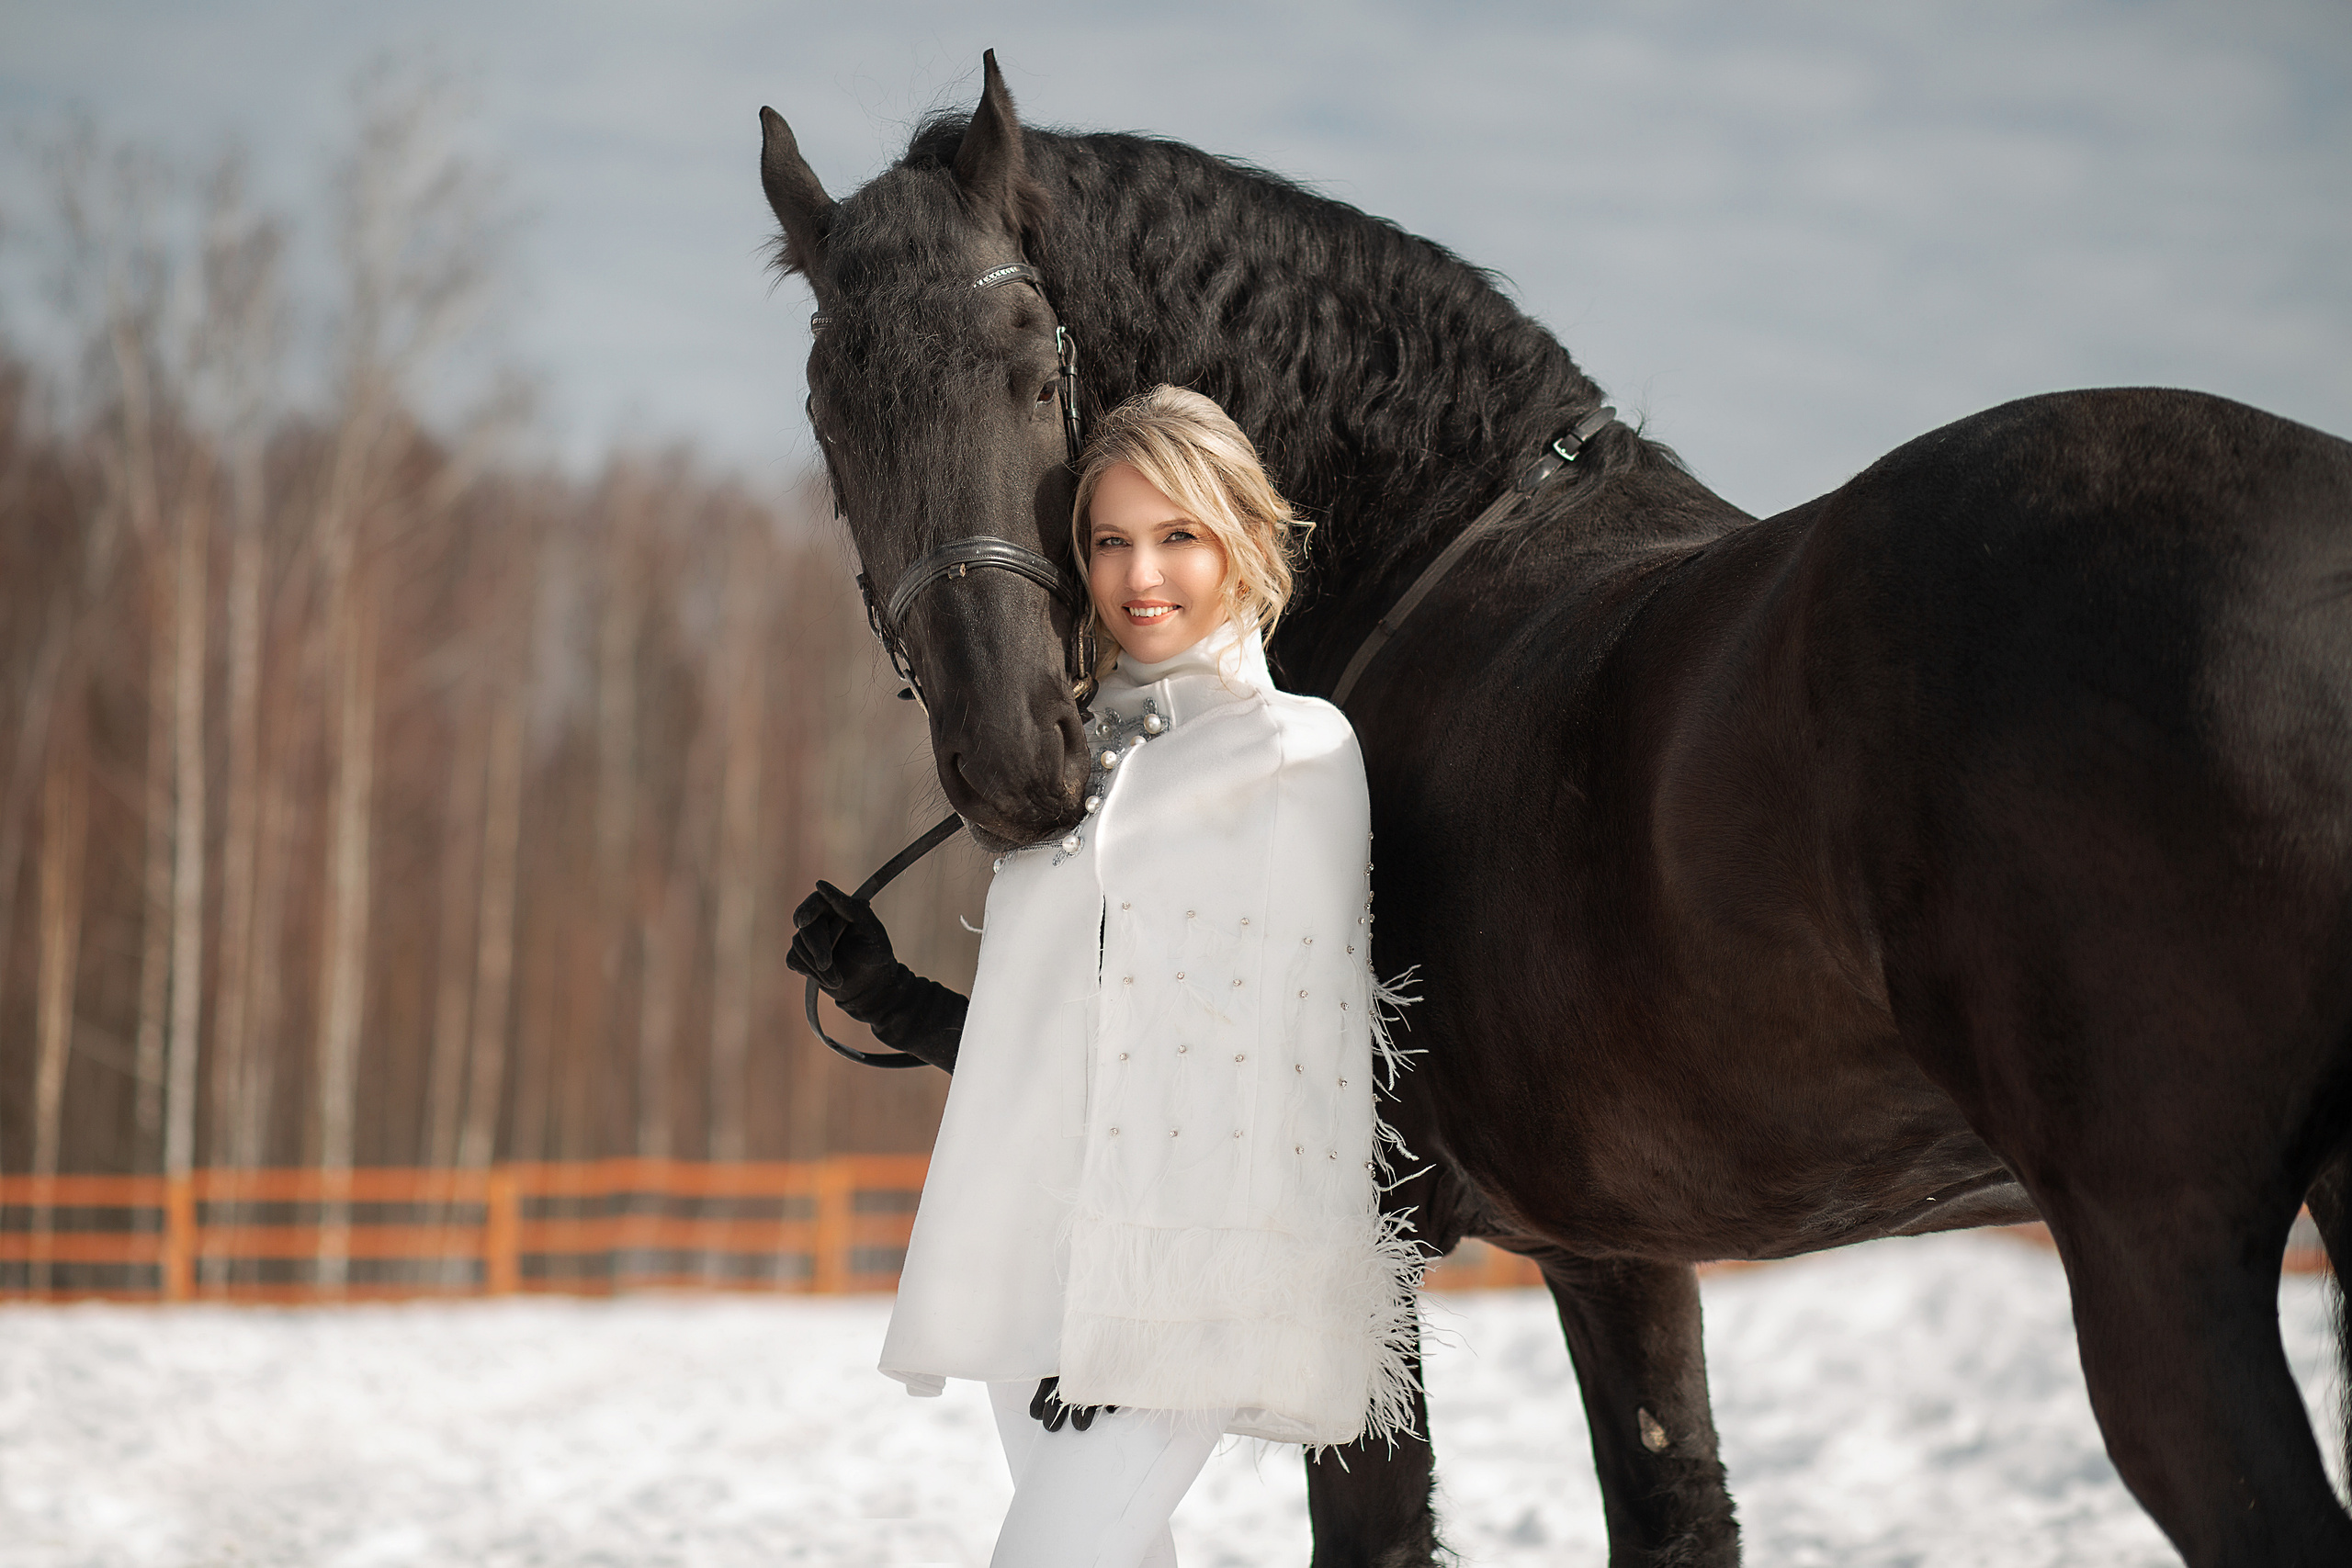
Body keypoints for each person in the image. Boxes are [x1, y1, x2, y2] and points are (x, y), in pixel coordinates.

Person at [789, 385, 1419, 1568]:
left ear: (1245, 538)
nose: (1142, 575)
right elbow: (1057, 1051)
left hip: (1174, 1295)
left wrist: (1133, 1326)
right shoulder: (1068, 757)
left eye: (1179, 534)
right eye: (1110, 541)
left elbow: (1282, 1076)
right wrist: (889, 994)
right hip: (1028, 1265)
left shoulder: (1292, 751)